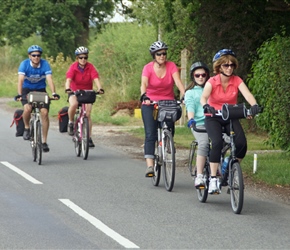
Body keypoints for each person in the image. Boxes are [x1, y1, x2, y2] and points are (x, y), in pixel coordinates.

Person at [200, 49, 260, 194]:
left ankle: (231, 169)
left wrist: (254, 106)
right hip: (213, 116)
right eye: (226, 65)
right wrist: (206, 106)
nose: (229, 68)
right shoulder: (212, 81)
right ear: (219, 67)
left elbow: (247, 94)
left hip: (230, 116)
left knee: (241, 144)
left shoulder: (237, 80)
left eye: (232, 65)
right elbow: (203, 97)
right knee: (217, 143)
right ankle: (213, 178)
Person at [140, 41, 185, 177]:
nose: (162, 56)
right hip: (150, 102)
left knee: (170, 122)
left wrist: (184, 95)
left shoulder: (171, 66)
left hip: (167, 101)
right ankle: (149, 166)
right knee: (150, 134)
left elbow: (178, 82)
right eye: (159, 54)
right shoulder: (147, 68)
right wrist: (144, 96)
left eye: (164, 53)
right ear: (154, 55)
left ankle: (167, 140)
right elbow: (144, 83)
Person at [15, 45, 60, 152]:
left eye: (38, 55)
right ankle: (26, 127)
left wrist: (53, 93)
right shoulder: (24, 64)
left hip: (41, 90)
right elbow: (20, 80)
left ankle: (44, 141)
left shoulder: (45, 64)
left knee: (44, 113)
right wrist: (20, 94)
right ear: (29, 56)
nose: (36, 57)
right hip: (27, 90)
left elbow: (49, 79)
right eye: (33, 55)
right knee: (27, 109)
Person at [65, 46, 104, 148]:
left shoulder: (90, 67)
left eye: (85, 57)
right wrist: (67, 88)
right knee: (74, 104)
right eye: (81, 57)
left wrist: (100, 88)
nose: (83, 60)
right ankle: (70, 122)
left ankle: (89, 137)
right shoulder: (73, 67)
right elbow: (68, 79)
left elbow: (95, 78)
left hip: (87, 92)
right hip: (75, 91)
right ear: (77, 58)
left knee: (88, 113)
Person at [184, 62, 210, 188]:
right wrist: (191, 119)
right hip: (199, 124)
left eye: (203, 75)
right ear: (193, 76)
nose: (200, 77)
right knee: (204, 143)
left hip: (213, 122)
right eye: (197, 75)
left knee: (227, 141)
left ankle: (222, 166)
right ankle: (199, 175)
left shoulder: (212, 89)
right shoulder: (190, 92)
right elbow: (190, 106)